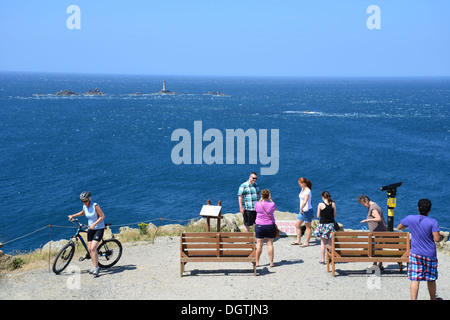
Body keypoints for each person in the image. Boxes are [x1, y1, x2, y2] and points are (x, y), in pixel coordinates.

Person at [397, 199, 445, 300]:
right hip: (430, 254)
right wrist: (442, 236)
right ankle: (432, 298)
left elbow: (399, 227)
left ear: (418, 208)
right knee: (431, 279)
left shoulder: (410, 218)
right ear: (430, 210)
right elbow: (437, 239)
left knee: (415, 279)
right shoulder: (433, 222)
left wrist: (409, 226)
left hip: (415, 253)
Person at [68, 191, 106, 276]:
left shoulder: (95, 206)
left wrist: (94, 224)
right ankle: (95, 266)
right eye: (82, 201)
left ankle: (96, 269)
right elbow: (82, 213)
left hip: (99, 228)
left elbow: (102, 216)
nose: (84, 202)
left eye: (85, 201)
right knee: (89, 250)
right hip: (90, 229)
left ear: (89, 199)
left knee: (93, 248)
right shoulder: (84, 206)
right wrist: (73, 215)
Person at [357, 194, 387, 269]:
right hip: (380, 230)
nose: (363, 206)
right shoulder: (375, 205)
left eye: (363, 204)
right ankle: (378, 264)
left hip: (378, 231)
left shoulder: (372, 208)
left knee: (376, 247)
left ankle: (376, 264)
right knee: (379, 248)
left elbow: (378, 219)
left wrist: (368, 220)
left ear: (367, 201)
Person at [254, 189, 277, 267]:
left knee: (259, 245)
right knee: (270, 244)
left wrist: (261, 199)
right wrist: (270, 199)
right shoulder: (272, 204)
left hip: (260, 226)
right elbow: (275, 209)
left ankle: (257, 263)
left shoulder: (258, 204)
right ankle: (271, 262)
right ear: (268, 196)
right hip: (270, 226)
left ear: (261, 196)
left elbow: (256, 209)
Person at [313, 191, 337, 264]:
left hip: (322, 225)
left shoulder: (320, 204)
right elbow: (335, 215)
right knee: (330, 243)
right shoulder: (333, 204)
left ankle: (323, 260)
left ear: (322, 197)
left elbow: (317, 216)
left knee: (323, 243)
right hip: (330, 225)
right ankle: (330, 260)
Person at [292, 177, 313, 247]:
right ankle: (298, 240)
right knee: (297, 225)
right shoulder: (302, 189)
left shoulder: (308, 191)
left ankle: (307, 242)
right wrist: (301, 209)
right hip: (302, 210)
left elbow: (306, 200)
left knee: (308, 227)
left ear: (303, 183)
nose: (299, 185)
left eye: (300, 184)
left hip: (307, 210)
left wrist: (301, 207)